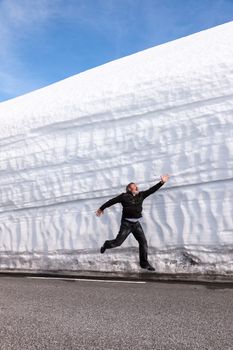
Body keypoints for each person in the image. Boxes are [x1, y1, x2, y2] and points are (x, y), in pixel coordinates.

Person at [96, 175, 169, 271]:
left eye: (136, 186)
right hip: (126, 224)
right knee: (118, 243)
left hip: (136, 224)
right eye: (133, 187)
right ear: (129, 189)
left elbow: (151, 190)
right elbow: (111, 201)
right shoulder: (123, 196)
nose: (136, 188)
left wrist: (161, 182)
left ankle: (144, 264)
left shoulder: (141, 195)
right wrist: (101, 208)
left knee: (143, 243)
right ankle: (106, 244)